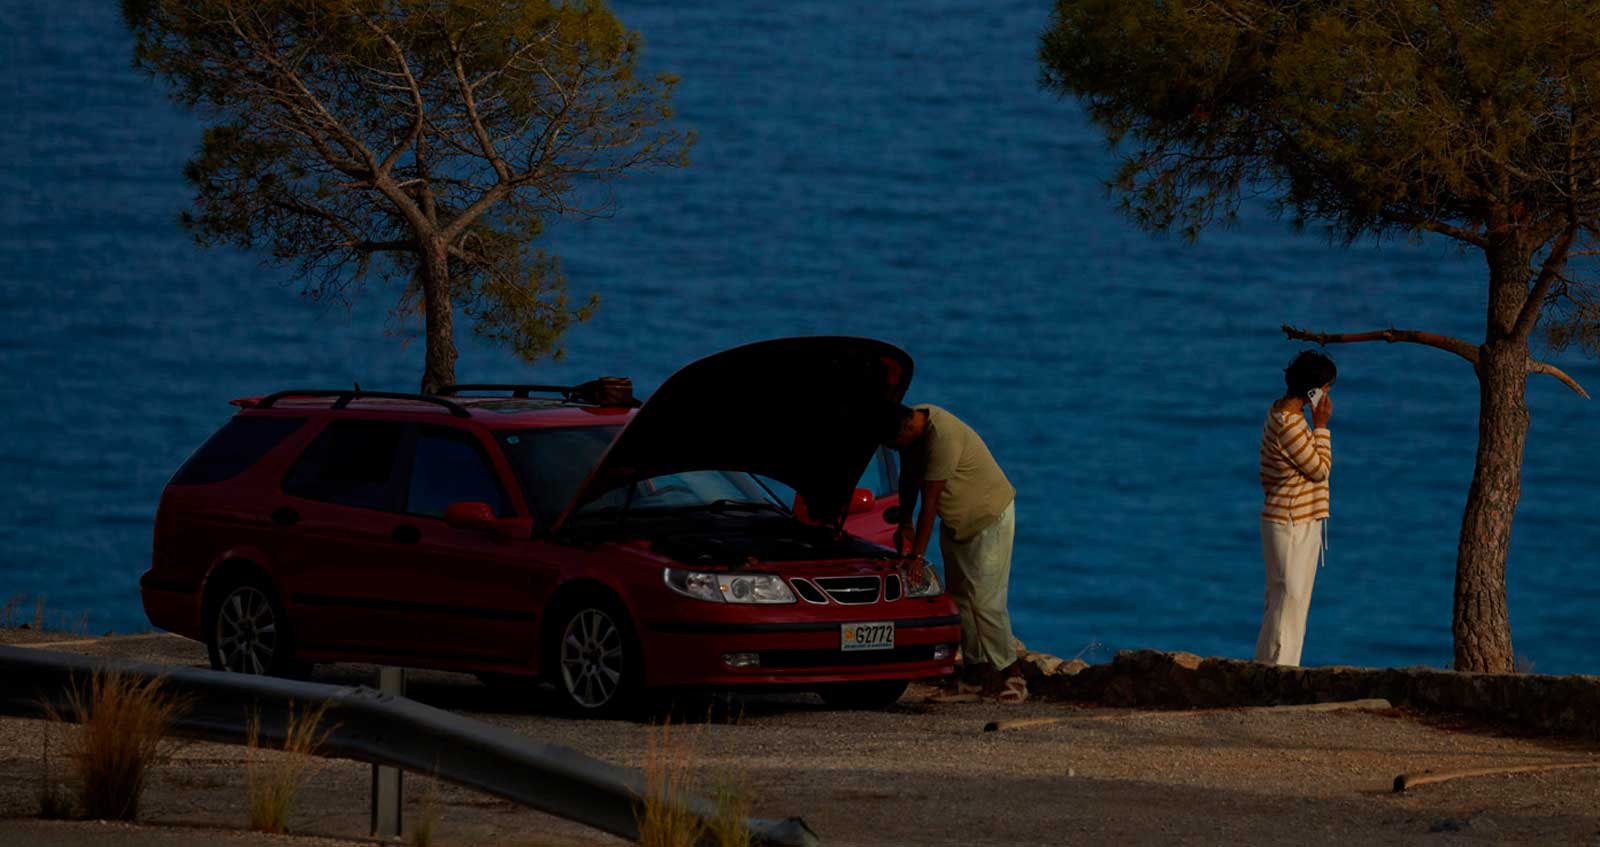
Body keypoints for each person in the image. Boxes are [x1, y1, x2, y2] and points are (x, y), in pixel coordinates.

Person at [884, 403, 1024, 702]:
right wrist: (905, 522)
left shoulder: (942, 436)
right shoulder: (912, 435)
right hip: (957, 521)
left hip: (989, 517)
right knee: (959, 599)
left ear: (908, 426)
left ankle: (1013, 675)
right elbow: (908, 480)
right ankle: (975, 678)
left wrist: (917, 558)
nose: (897, 449)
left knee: (985, 600)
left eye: (896, 444)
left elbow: (930, 500)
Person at [1255, 350, 1336, 667]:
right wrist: (1322, 427)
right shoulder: (1290, 425)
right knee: (1290, 604)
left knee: (1281, 602)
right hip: (1293, 522)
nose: (1327, 395)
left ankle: (1266, 667)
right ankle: (1280, 672)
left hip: (1287, 518)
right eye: (1326, 388)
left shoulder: (1280, 412)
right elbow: (1319, 469)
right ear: (1312, 390)